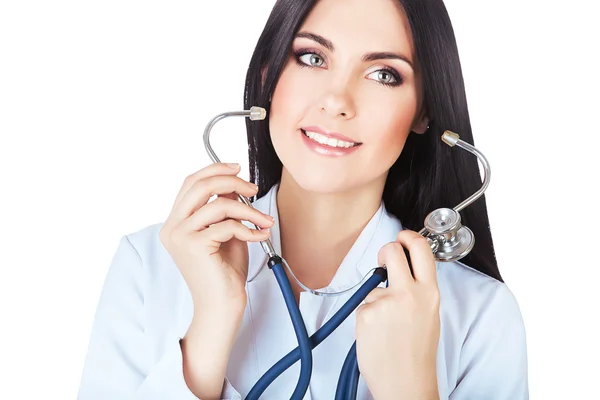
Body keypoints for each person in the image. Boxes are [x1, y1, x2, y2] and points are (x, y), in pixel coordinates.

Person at [77, 0, 529, 398]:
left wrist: (411, 390)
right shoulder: (148, 267)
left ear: (424, 111)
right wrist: (209, 329)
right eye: (312, 57)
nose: (336, 100)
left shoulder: (479, 315)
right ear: (268, 73)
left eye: (383, 74)